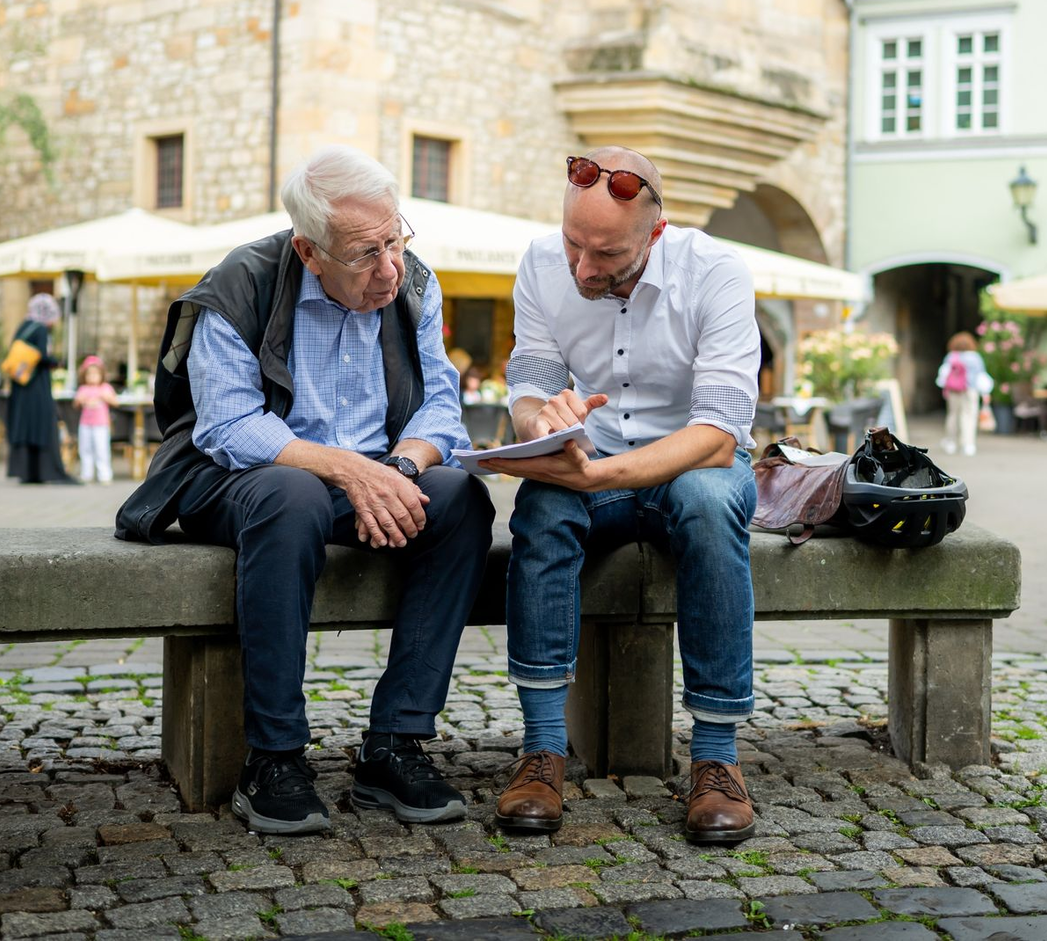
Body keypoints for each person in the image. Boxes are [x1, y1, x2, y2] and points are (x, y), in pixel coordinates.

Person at [115, 145, 494, 835]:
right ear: (310, 250)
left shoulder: (411, 283)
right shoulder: (240, 282)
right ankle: (276, 756)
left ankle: (395, 742)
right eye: (363, 253)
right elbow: (228, 425)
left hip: (373, 476)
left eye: (394, 240)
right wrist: (350, 470)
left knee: (461, 499)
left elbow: (441, 408)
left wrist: (400, 473)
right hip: (238, 479)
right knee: (294, 495)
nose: (388, 268)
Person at [482, 148, 760, 846]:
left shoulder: (717, 273)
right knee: (542, 506)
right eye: (575, 242)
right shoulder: (542, 264)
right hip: (593, 455)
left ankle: (717, 758)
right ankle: (544, 750)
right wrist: (541, 424)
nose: (582, 268)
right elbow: (531, 380)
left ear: (655, 234)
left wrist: (603, 475)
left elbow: (720, 434)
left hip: (688, 461)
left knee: (705, 498)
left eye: (604, 253)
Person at [5, 293, 76, 484]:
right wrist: (55, 361)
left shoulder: (23, 325)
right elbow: (42, 357)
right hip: (37, 386)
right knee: (41, 423)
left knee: (26, 425)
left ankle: (27, 472)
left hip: (20, 385)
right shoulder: (41, 329)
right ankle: (45, 470)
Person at [936, 331, 994, 456]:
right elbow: (981, 376)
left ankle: (951, 443)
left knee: (952, 415)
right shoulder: (975, 357)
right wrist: (985, 392)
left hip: (953, 390)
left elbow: (943, 374)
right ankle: (968, 445)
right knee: (969, 416)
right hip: (970, 390)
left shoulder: (951, 356)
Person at [73, 355, 118, 483]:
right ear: (84, 375)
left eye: (95, 374)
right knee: (85, 449)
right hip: (85, 424)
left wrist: (107, 397)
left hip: (101, 424)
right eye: (89, 374)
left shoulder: (105, 388)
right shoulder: (83, 389)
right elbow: (75, 404)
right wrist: (79, 400)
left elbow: (116, 402)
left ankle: (104, 475)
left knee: (102, 449)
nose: (92, 377)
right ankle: (86, 474)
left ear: (101, 374)